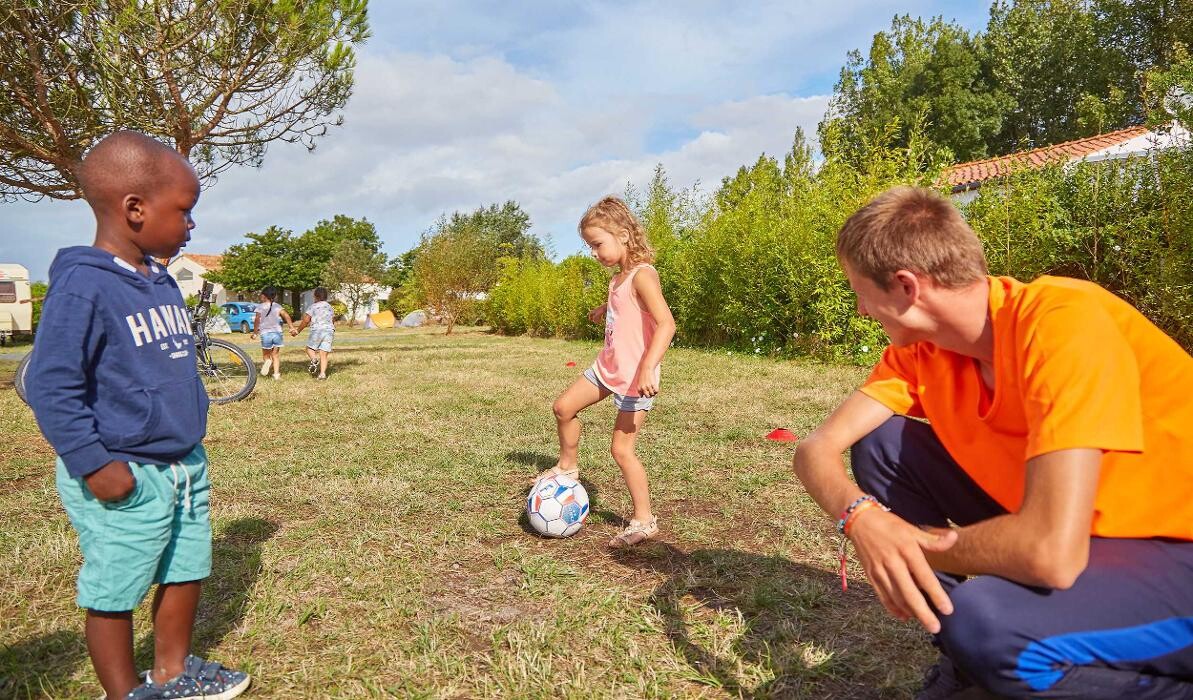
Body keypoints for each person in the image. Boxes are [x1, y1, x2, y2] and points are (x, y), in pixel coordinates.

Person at [793, 185, 1193, 699]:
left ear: (905, 287)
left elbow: (1050, 553)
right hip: (1090, 536)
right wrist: (864, 520)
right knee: (884, 444)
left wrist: (913, 549)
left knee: (991, 625)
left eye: (859, 292)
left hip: (1176, 551)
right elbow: (815, 450)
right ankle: (964, 656)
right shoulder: (924, 352)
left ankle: (999, 646)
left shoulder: (1063, 322)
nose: (862, 310)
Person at [24, 131, 250, 700]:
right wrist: (92, 462)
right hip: (121, 471)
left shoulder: (162, 280)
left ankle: (173, 671)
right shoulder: (82, 284)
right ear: (134, 209)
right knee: (115, 585)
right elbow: (50, 384)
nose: (192, 226)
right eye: (185, 211)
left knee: (187, 567)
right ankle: (124, 693)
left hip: (183, 465)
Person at [535, 196, 676, 548]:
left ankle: (644, 520)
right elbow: (628, 307)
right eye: (589, 246)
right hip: (607, 368)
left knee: (621, 450)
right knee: (563, 408)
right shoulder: (619, 279)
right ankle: (567, 466)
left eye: (597, 244)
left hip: (634, 380)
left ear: (624, 235)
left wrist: (647, 368)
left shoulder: (643, 276)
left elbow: (666, 324)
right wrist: (605, 308)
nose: (593, 252)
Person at [250, 285, 295, 380]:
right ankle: (276, 374)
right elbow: (286, 315)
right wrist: (291, 327)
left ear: (264, 296)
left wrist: (255, 333)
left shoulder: (260, 307)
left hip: (265, 334)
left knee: (266, 355)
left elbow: (257, 320)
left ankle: (267, 361)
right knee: (275, 355)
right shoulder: (277, 306)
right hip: (277, 333)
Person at [291, 286, 335, 380]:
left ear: (315, 296)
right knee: (324, 354)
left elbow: (306, 320)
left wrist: (298, 330)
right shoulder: (329, 306)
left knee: (309, 349)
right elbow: (332, 319)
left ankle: (314, 360)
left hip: (317, 331)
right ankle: (322, 374)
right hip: (329, 331)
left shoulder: (313, 307)